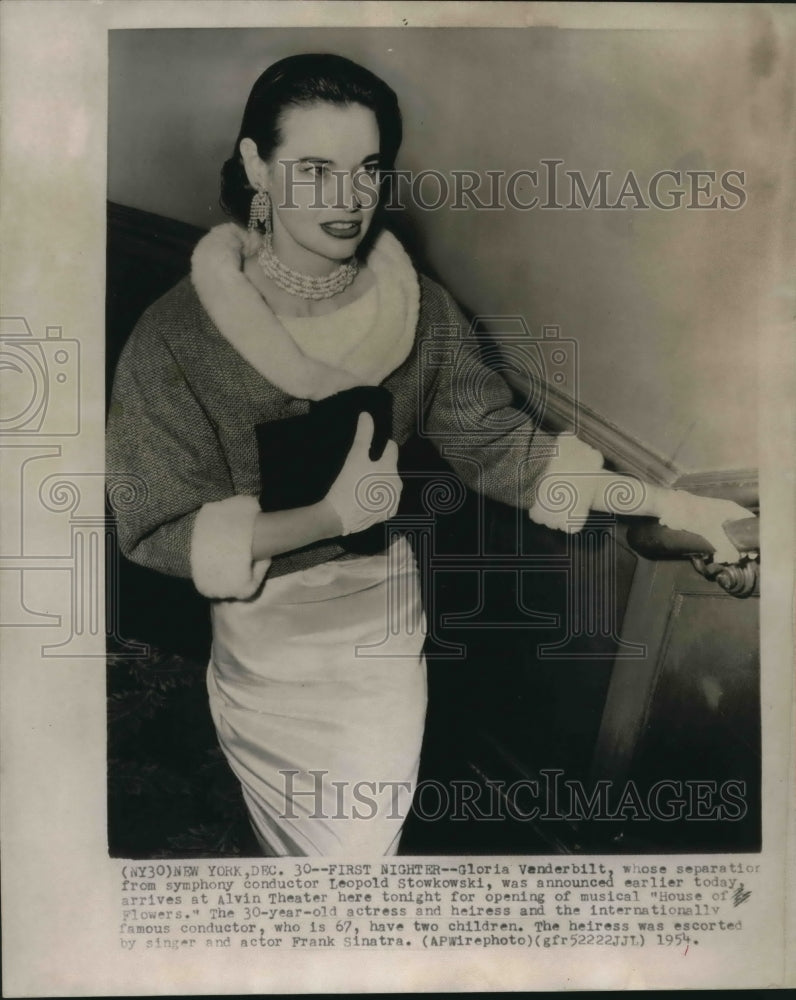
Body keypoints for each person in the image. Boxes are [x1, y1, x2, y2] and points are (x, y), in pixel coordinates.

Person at [106, 53, 752, 857]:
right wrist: (328, 515)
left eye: (368, 169)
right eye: (315, 169)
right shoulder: (174, 339)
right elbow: (158, 526)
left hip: (382, 628)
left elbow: (506, 447)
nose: (349, 199)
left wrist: (677, 504)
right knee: (298, 842)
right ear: (256, 166)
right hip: (266, 641)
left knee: (362, 839)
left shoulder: (421, 312)